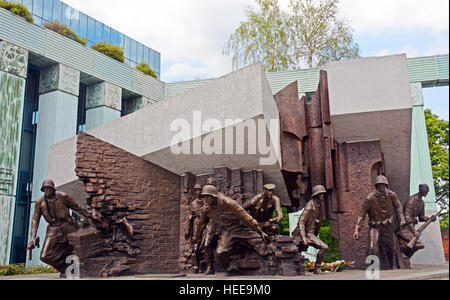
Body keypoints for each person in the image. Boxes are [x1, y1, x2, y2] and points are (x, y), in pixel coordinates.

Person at [193, 184, 271, 273]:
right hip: (228, 231)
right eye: (204, 197)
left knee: (263, 250)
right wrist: (196, 236)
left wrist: (260, 232)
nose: (205, 199)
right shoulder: (205, 210)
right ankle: (234, 269)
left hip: (241, 227)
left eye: (207, 196)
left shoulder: (228, 203)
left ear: (214, 196)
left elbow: (247, 218)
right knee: (220, 253)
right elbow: (201, 224)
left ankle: (272, 262)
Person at [27, 179, 97, 274]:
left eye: (48, 188)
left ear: (53, 189)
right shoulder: (40, 203)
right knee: (44, 256)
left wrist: (90, 217)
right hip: (53, 229)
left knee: (77, 248)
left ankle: (79, 268)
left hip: (68, 226)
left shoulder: (63, 196)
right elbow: (35, 220)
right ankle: (66, 268)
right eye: (44, 189)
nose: (46, 191)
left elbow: (78, 207)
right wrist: (33, 238)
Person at [353, 175, 406, 269]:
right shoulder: (370, 198)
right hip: (375, 226)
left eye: (384, 185)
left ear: (386, 185)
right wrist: (357, 229)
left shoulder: (392, 195)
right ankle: (372, 267)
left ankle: (391, 266)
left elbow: (398, 207)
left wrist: (402, 218)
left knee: (391, 247)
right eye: (380, 185)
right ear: (376, 186)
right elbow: (362, 215)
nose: (382, 188)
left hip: (388, 225)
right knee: (373, 246)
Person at [292, 185, 328, 274]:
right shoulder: (310, 205)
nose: (322, 196)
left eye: (323, 194)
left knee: (299, 252)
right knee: (324, 247)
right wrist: (304, 238)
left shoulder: (320, 205)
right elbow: (301, 222)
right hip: (305, 234)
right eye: (321, 194)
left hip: (311, 233)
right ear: (316, 195)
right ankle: (317, 268)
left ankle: (315, 269)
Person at [397, 184, 437, 258]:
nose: (426, 193)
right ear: (420, 190)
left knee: (419, 245)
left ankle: (406, 256)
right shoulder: (412, 200)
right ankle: (403, 254)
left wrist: (429, 219)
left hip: (411, 228)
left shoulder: (421, 202)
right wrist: (414, 231)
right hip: (404, 228)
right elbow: (407, 217)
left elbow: (421, 218)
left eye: (427, 191)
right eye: (425, 191)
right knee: (418, 244)